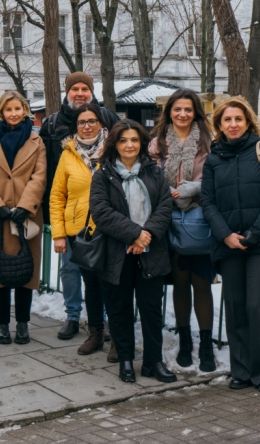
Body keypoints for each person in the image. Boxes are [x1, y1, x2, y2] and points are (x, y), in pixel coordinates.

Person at [201, 97, 260, 393]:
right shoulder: (213, 159)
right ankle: (241, 369)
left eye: (238, 119)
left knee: (257, 306)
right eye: (227, 120)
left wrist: (257, 231)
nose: (233, 124)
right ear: (219, 125)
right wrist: (225, 234)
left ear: (248, 121)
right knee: (236, 306)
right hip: (228, 244)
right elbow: (208, 202)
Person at [90, 119, 175, 384]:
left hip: (151, 251)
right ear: (115, 143)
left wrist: (145, 235)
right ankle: (125, 359)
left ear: (142, 143)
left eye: (135, 140)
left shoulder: (154, 172)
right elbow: (101, 212)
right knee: (119, 308)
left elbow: (164, 207)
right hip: (117, 252)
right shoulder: (103, 175)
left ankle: (153, 361)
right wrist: (134, 233)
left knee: (151, 308)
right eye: (124, 140)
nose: (129, 145)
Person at [40, 72, 119, 341]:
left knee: (105, 270)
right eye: (75, 88)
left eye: (85, 88)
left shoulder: (109, 119)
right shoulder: (52, 124)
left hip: (106, 216)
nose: (80, 93)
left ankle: (101, 321)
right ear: (67, 92)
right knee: (71, 268)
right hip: (70, 211)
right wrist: (55, 222)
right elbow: (49, 174)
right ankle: (73, 316)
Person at [148, 88, 216, 372]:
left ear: (196, 112)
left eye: (188, 109)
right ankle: (185, 341)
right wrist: (168, 191)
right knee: (179, 283)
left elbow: (215, 178)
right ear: (169, 112)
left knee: (201, 283)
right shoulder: (156, 144)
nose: (183, 114)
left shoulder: (210, 142)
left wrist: (191, 188)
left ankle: (206, 344)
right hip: (168, 221)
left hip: (200, 219)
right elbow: (149, 176)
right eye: (177, 109)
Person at [0, 91, 46, 345]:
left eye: (18, 108)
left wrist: (25, 206)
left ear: (25, 109)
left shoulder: (36, 141)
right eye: (9, 109)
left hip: (27, 218)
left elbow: (40, 176)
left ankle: (23, 324)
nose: (14, 113)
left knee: (25, 273)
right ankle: (2, 325)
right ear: (1, 112)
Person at [49, 103, 109, 357]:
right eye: (82, 122)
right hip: (79, 231)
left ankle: (116, 335)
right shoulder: (68, 153)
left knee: (113, 283)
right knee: (91, 284)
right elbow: (57, 196)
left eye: (92, 121)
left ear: (101, 124)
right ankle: (95, 333)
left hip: (110, 229)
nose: (86, 126)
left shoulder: (114, 150)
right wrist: (59, 234)